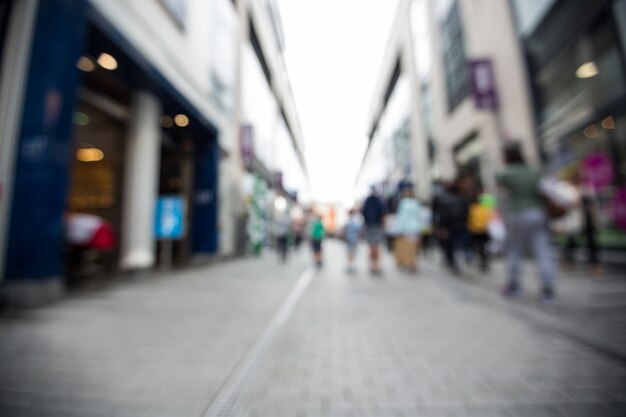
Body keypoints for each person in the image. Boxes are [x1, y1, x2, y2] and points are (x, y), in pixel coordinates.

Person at [497, 142, 557, 303]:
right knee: (542, 251)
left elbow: (502, 197)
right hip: (537, 213)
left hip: (515, 214)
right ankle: (548, 291)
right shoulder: (533, 171)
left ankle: (514, 286)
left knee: (514, 250)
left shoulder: (505, 174)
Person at [432, 176, 471, 274]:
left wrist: (440, 227)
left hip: (449, 227)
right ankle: (463, 260)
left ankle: (453, 262)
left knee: (450, 246)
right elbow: (467, 213)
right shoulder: (462, 198)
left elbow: (440, 215)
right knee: (462, 245)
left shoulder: (441, 199)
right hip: (461, 226)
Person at [394, 187, 422, 272]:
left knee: (407, 246)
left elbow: (401, 217)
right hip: (415, 227)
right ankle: (414, 262)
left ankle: (409, 262)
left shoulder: (403, 203)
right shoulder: (416, 203)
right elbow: (419, 215)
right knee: (414, 246)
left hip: (406, 228)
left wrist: (399, 229)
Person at [467, 193, 495, 272]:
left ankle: (480, 260)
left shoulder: (472, 209)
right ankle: (484, 260)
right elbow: (488, 220)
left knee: (476, 246)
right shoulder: (484, 209)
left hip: (475, 231)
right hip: (483, 230)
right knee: (482, 247)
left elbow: (470, 219)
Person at [361, 187, 386, 274]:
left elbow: (363, 212)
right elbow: (382, 212)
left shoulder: (367, 201)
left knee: (371, 246)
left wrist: (367, 220)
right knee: (376, 246)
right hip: (376, 225)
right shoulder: (379, 200)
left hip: (369, 225)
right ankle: (376, 265)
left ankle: (372, 265)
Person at [343, 209, 362, 273]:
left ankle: (350, 266)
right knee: (353, 253)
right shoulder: (356, 222)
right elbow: (359, 230)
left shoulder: (348, 222)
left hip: (349, 239)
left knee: (349, 253)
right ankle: (352, 266)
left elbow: (345, 230)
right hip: (354, 239)